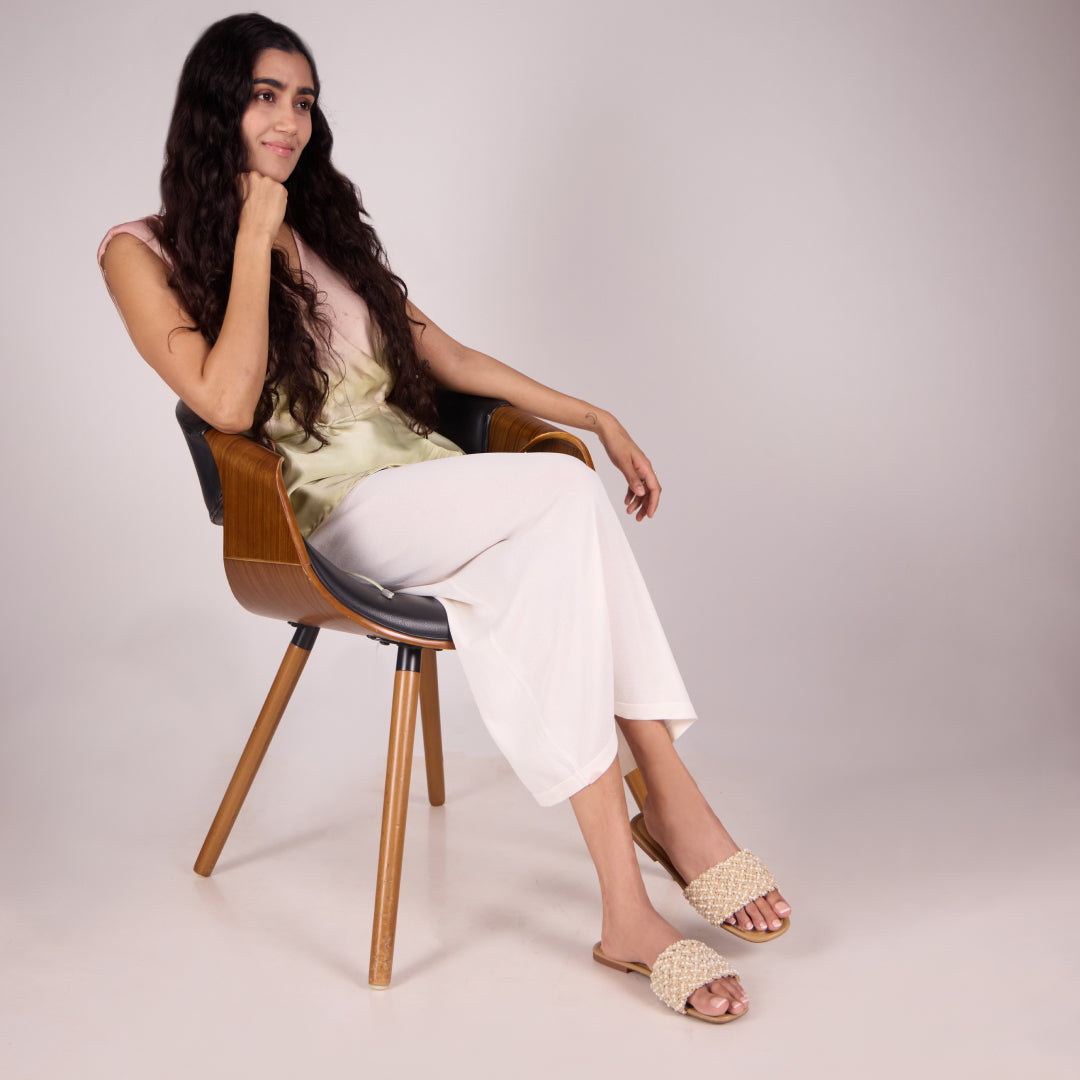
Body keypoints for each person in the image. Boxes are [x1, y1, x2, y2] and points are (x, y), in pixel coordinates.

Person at [98, 13, 790, 1023]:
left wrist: (592, 414)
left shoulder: (325, 236)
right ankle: (670, 789)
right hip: (322, 522)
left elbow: (448, 357)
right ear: (216, 108)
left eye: (304, 101)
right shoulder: (140, 252)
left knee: (548, 554)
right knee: (562, 495)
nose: (289, 120)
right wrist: (250, 235)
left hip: (431, 493)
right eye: (264, 96)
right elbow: (228, 403)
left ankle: (625, 911)